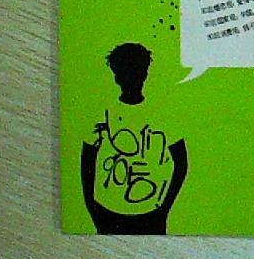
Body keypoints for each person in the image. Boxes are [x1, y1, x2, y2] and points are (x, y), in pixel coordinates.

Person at [80, 43, 187, 235]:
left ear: (145, 74)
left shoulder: (161, 114)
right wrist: (91, 205)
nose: (132, 79)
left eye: (137, 73)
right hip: (107, 209)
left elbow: (181, 162)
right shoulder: (102, 113)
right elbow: (87, 159)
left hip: (150, 212)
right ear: (116, 76)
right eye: (126, 73)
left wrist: (164, 208)